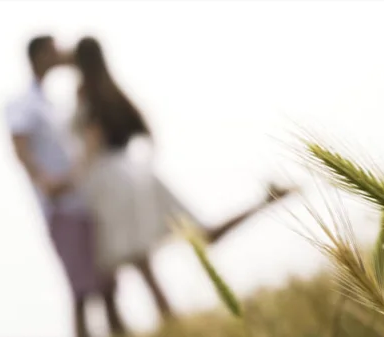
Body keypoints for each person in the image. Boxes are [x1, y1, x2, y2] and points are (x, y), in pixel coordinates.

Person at [71, 36, 294, 332]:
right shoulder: (114, 91)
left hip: (110, 186)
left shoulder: (86, 93)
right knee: (198, 238)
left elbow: (91, 143)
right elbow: (147, 132)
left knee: (123, 275)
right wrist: (138, 168)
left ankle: (172, 328)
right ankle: (266, 201)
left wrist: (74, 181)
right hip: (137, 176)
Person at [5, 35, 115, 337]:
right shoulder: (24, 103)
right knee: (81, 290)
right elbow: (20, 146)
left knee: (105, 284)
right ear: (40, 55)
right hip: (60, 207)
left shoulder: (53, 102)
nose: (61, 52)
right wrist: (44, 182)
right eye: (54, 49)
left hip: (81, 200)